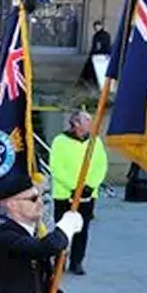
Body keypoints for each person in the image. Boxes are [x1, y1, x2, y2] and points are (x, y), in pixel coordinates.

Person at [48, 110, 107, 276]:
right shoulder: (60, 141)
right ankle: (60, 260)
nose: (90, 124)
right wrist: (73, 187)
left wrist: (90, 185)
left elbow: (101, 166)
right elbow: (56, 167)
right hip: (64, 193)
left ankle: (77, 261)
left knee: (83, 229)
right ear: (76, 123)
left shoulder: (95, 142)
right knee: (62, 228)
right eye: (86, 121)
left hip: (88, 195)